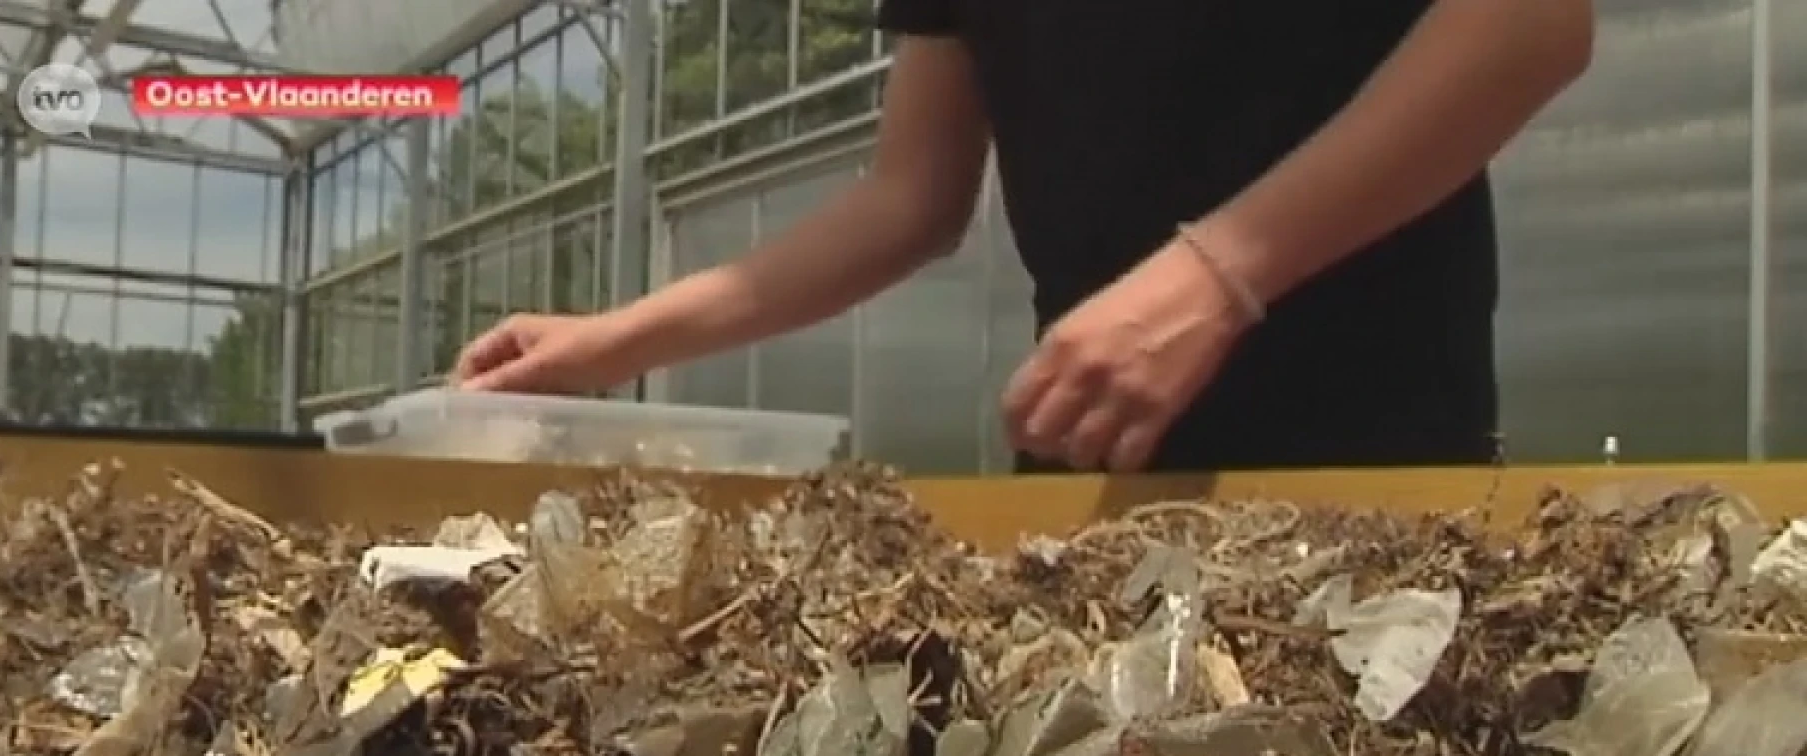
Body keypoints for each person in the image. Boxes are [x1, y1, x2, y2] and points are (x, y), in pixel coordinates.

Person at [454, 0, 1594, 473]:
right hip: (1090, 479)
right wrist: (610, 344)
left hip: (1378, 476)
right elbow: (911, 200)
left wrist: (1221, 274)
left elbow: (1532, 25)